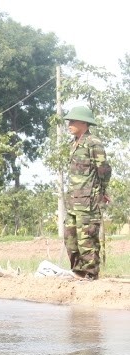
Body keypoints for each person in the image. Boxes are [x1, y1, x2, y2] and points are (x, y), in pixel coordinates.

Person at [63, 105, 112, 280]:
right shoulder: (73, 144)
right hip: (72, 201)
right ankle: (78, 271)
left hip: (88, 202)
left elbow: (104, 170)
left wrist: (103, 191)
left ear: (84, 122)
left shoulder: (93, 143)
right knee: (70, 238)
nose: (69, 124)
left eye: (73, 121)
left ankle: (91, 274)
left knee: (87, 240)